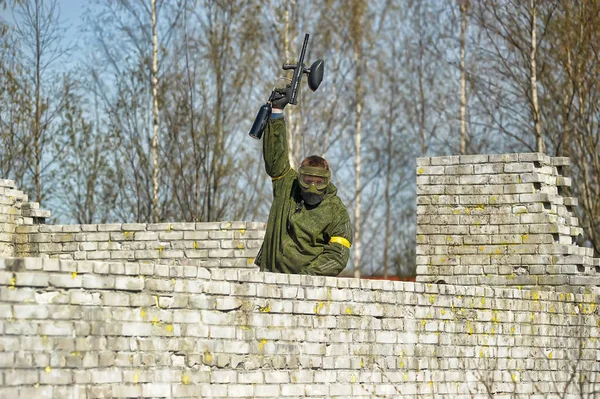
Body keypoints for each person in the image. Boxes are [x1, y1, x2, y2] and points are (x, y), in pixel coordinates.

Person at [255, 86, 352, 276]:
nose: (312, 187)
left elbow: (338, 255)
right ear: (300, 178)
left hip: (305, 290)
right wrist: (276, 112)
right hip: (269, 277)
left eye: (318, 182)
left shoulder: (336, 211)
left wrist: (306, 278)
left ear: (327, 181)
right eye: (307, 181)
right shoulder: (287, 186)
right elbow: (276, 157)